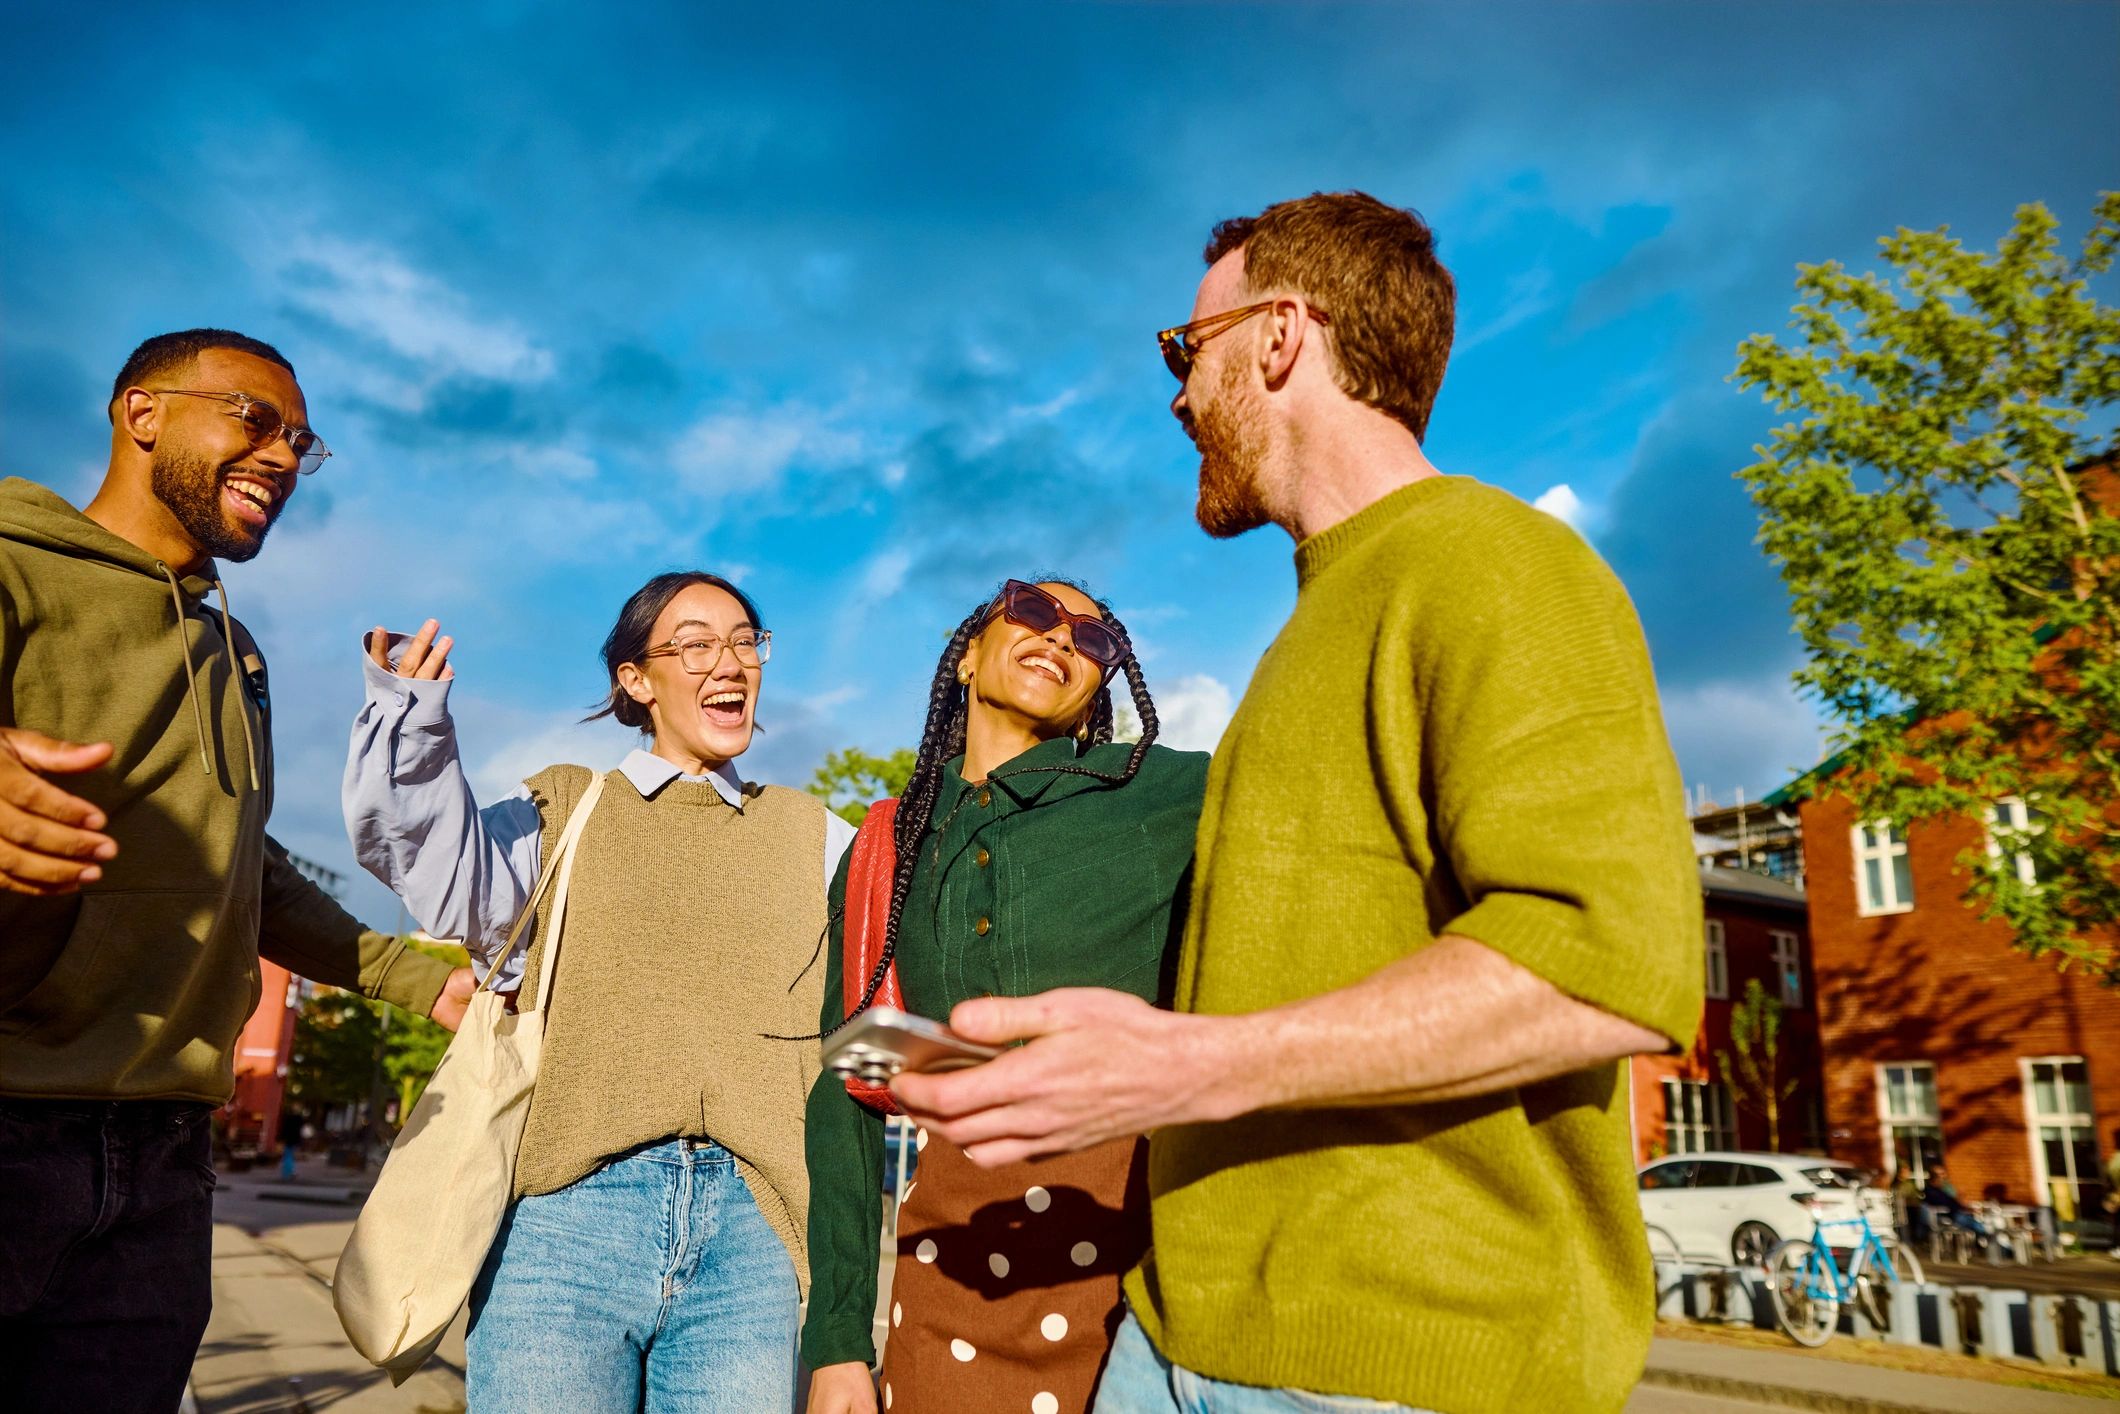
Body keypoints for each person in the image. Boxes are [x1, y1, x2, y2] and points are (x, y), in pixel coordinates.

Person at [892, 193, 1703, 1414]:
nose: (1174, 392)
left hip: (1393, 1363)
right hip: (1185, 1343)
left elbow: (1601, 965)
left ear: (1277, 337)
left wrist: (1184, 1068)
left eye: (1186, 346)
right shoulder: (1311, 626)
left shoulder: (1494, 562)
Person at [0, 329, 473, 1414]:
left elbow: (234, 855)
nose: (280, 455)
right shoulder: (13, 564)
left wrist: (420, 977)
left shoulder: (233, 649)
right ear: (143, 413)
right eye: (253, 417)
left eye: (299, 441)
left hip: (164, 1162)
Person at [344, 573, 852, 1412]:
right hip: (566, 1230)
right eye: (694, 644)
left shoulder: (812, 833)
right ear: (637, 680)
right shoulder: (570, 810)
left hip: (752, 1238)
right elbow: (430, 863)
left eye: (743, 640)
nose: (728, 662)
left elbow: (902, 951)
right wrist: (411, 716)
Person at [803, 579, 1208, 1414]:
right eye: (1032, 612)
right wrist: (839, 1341)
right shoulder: (893, 844)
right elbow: (848, 1093)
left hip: (1138, 1276)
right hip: (946, 1284)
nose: (1062, 640)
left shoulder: (1167, 794)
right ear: (967, 655)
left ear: (1102, 688)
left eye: (1094, 641)